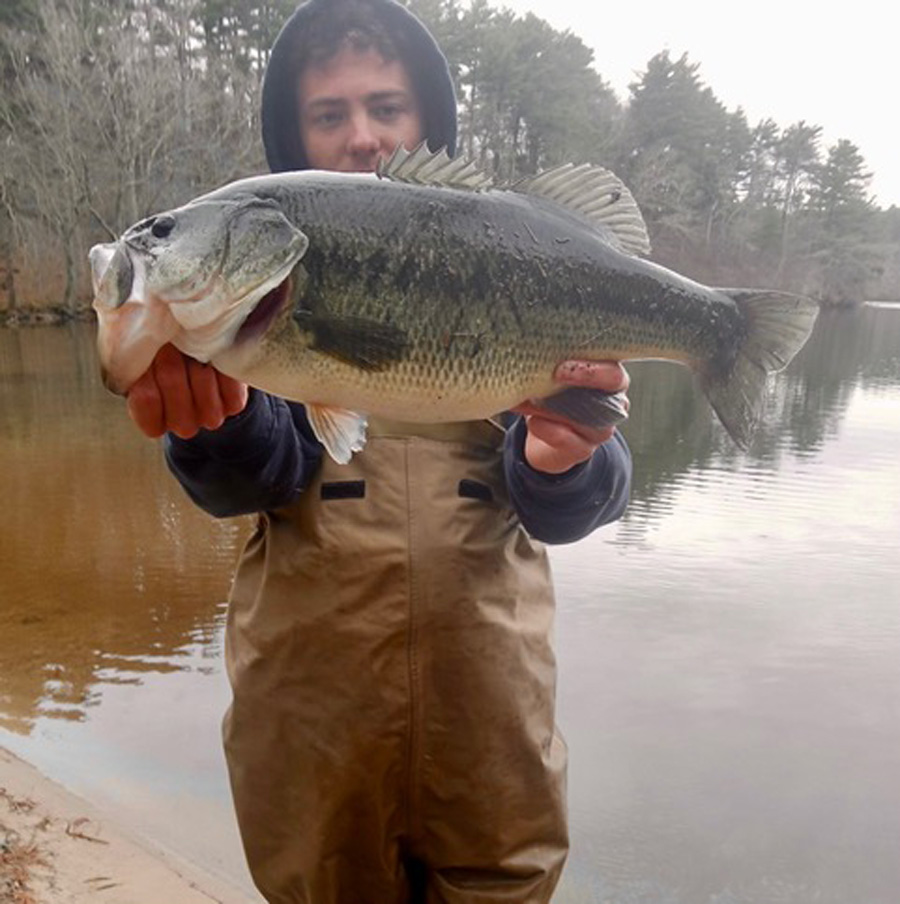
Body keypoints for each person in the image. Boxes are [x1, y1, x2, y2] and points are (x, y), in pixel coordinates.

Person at [125, 1, 633, 901]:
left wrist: (565, 459)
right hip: (312, 728)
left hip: (491, 725)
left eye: (385, 107)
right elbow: (252, 477)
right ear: (295, 137)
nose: (361, 136)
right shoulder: (256, 296)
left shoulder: (511, 259)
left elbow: (574, 496)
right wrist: (220, 419)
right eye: (330, 114)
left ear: (427, 120)